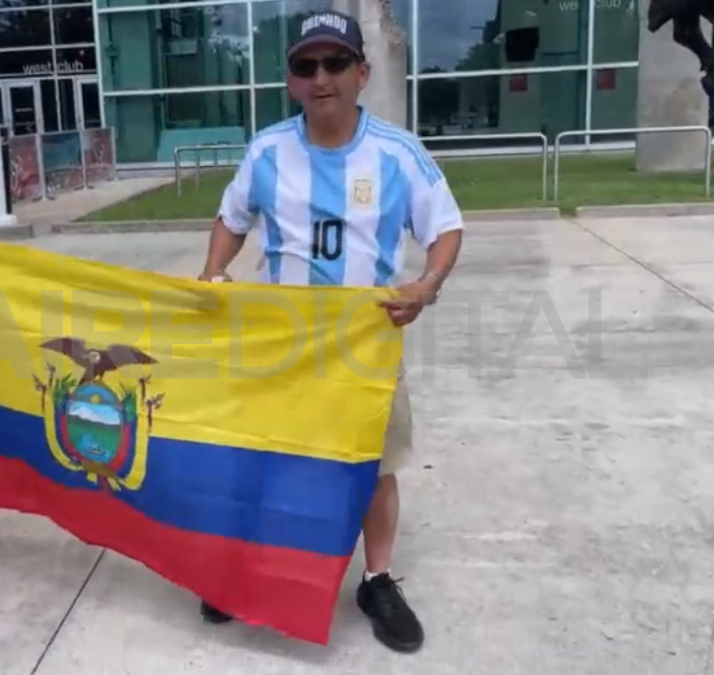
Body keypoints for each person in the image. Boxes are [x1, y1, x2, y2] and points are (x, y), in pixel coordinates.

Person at [194, 11, 464, 653]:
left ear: (361, 74)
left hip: (363, 344)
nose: (322, 78)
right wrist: (212, 270)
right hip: (279, 343)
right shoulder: (266, 151)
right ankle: (247, 569)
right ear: (291, 81)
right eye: (306, 66)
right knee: (263, 454)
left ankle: (376, 580)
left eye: (336, 63)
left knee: (373, 467)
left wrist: (426, 286)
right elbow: (232, 217)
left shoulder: (397, 154)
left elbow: (445, 227)